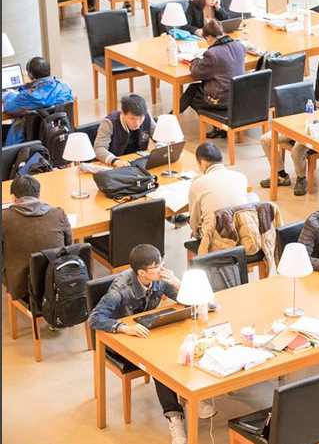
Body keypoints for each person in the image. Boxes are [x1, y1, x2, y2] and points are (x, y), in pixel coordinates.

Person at [87, 244, 215, 444]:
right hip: (122, 340)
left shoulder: (159, 279)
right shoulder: (120, 289)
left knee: (183, 344)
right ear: (141, 273)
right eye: (157, 267)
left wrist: (177, 283)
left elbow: (192, 300)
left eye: (162, 263)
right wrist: (124, 328)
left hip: (148, 333)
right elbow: (94, 319)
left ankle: (190, 395)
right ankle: (175, 417)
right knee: (160, 364)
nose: (163, 269)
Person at [2, 175, 72, 303]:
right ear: (39, 196)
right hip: (58, 280)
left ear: (13, 198)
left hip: (21, 286)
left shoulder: (4, 218)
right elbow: (69, 246)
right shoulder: (58, 213)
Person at [180, 19, 246, 138]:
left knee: (192, 94)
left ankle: (217, 125)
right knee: (194, 89)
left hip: (221, 100)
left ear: (209, 37)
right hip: (238, 97)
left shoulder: (212, 53)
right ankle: (219, 127)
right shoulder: (240, 46)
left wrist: (194, 60)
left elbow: (197, 73)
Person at [187, 143, 258, 238]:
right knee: (252, 196)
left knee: (197, 223)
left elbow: (194, 220)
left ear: (203, 163)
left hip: (214, 239)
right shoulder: (241, 177)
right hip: (242, 234)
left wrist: (196, 235)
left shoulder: (197, 184)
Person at [3, 57, 74, 145]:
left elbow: (9, 108)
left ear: (30, 75)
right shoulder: (65, 88)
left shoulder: (27, 96)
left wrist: (10, 95)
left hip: (25, 142)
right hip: (56, 135)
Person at [94, 93, 156, 166]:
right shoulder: (109, 122)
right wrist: (115, 161)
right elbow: (99, 148)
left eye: (140, 118)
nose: (137, 123)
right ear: (122, 113)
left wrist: (160, 148)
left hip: (137, 160)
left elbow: (159, 136)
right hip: (115, 163)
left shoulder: (147, 116)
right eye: (132, 118)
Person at [258, 127, 310, 196]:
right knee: (265, 139)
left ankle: (301, 178)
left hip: (309, 132)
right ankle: (282, 176)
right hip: (293, 127)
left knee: (296, 151)